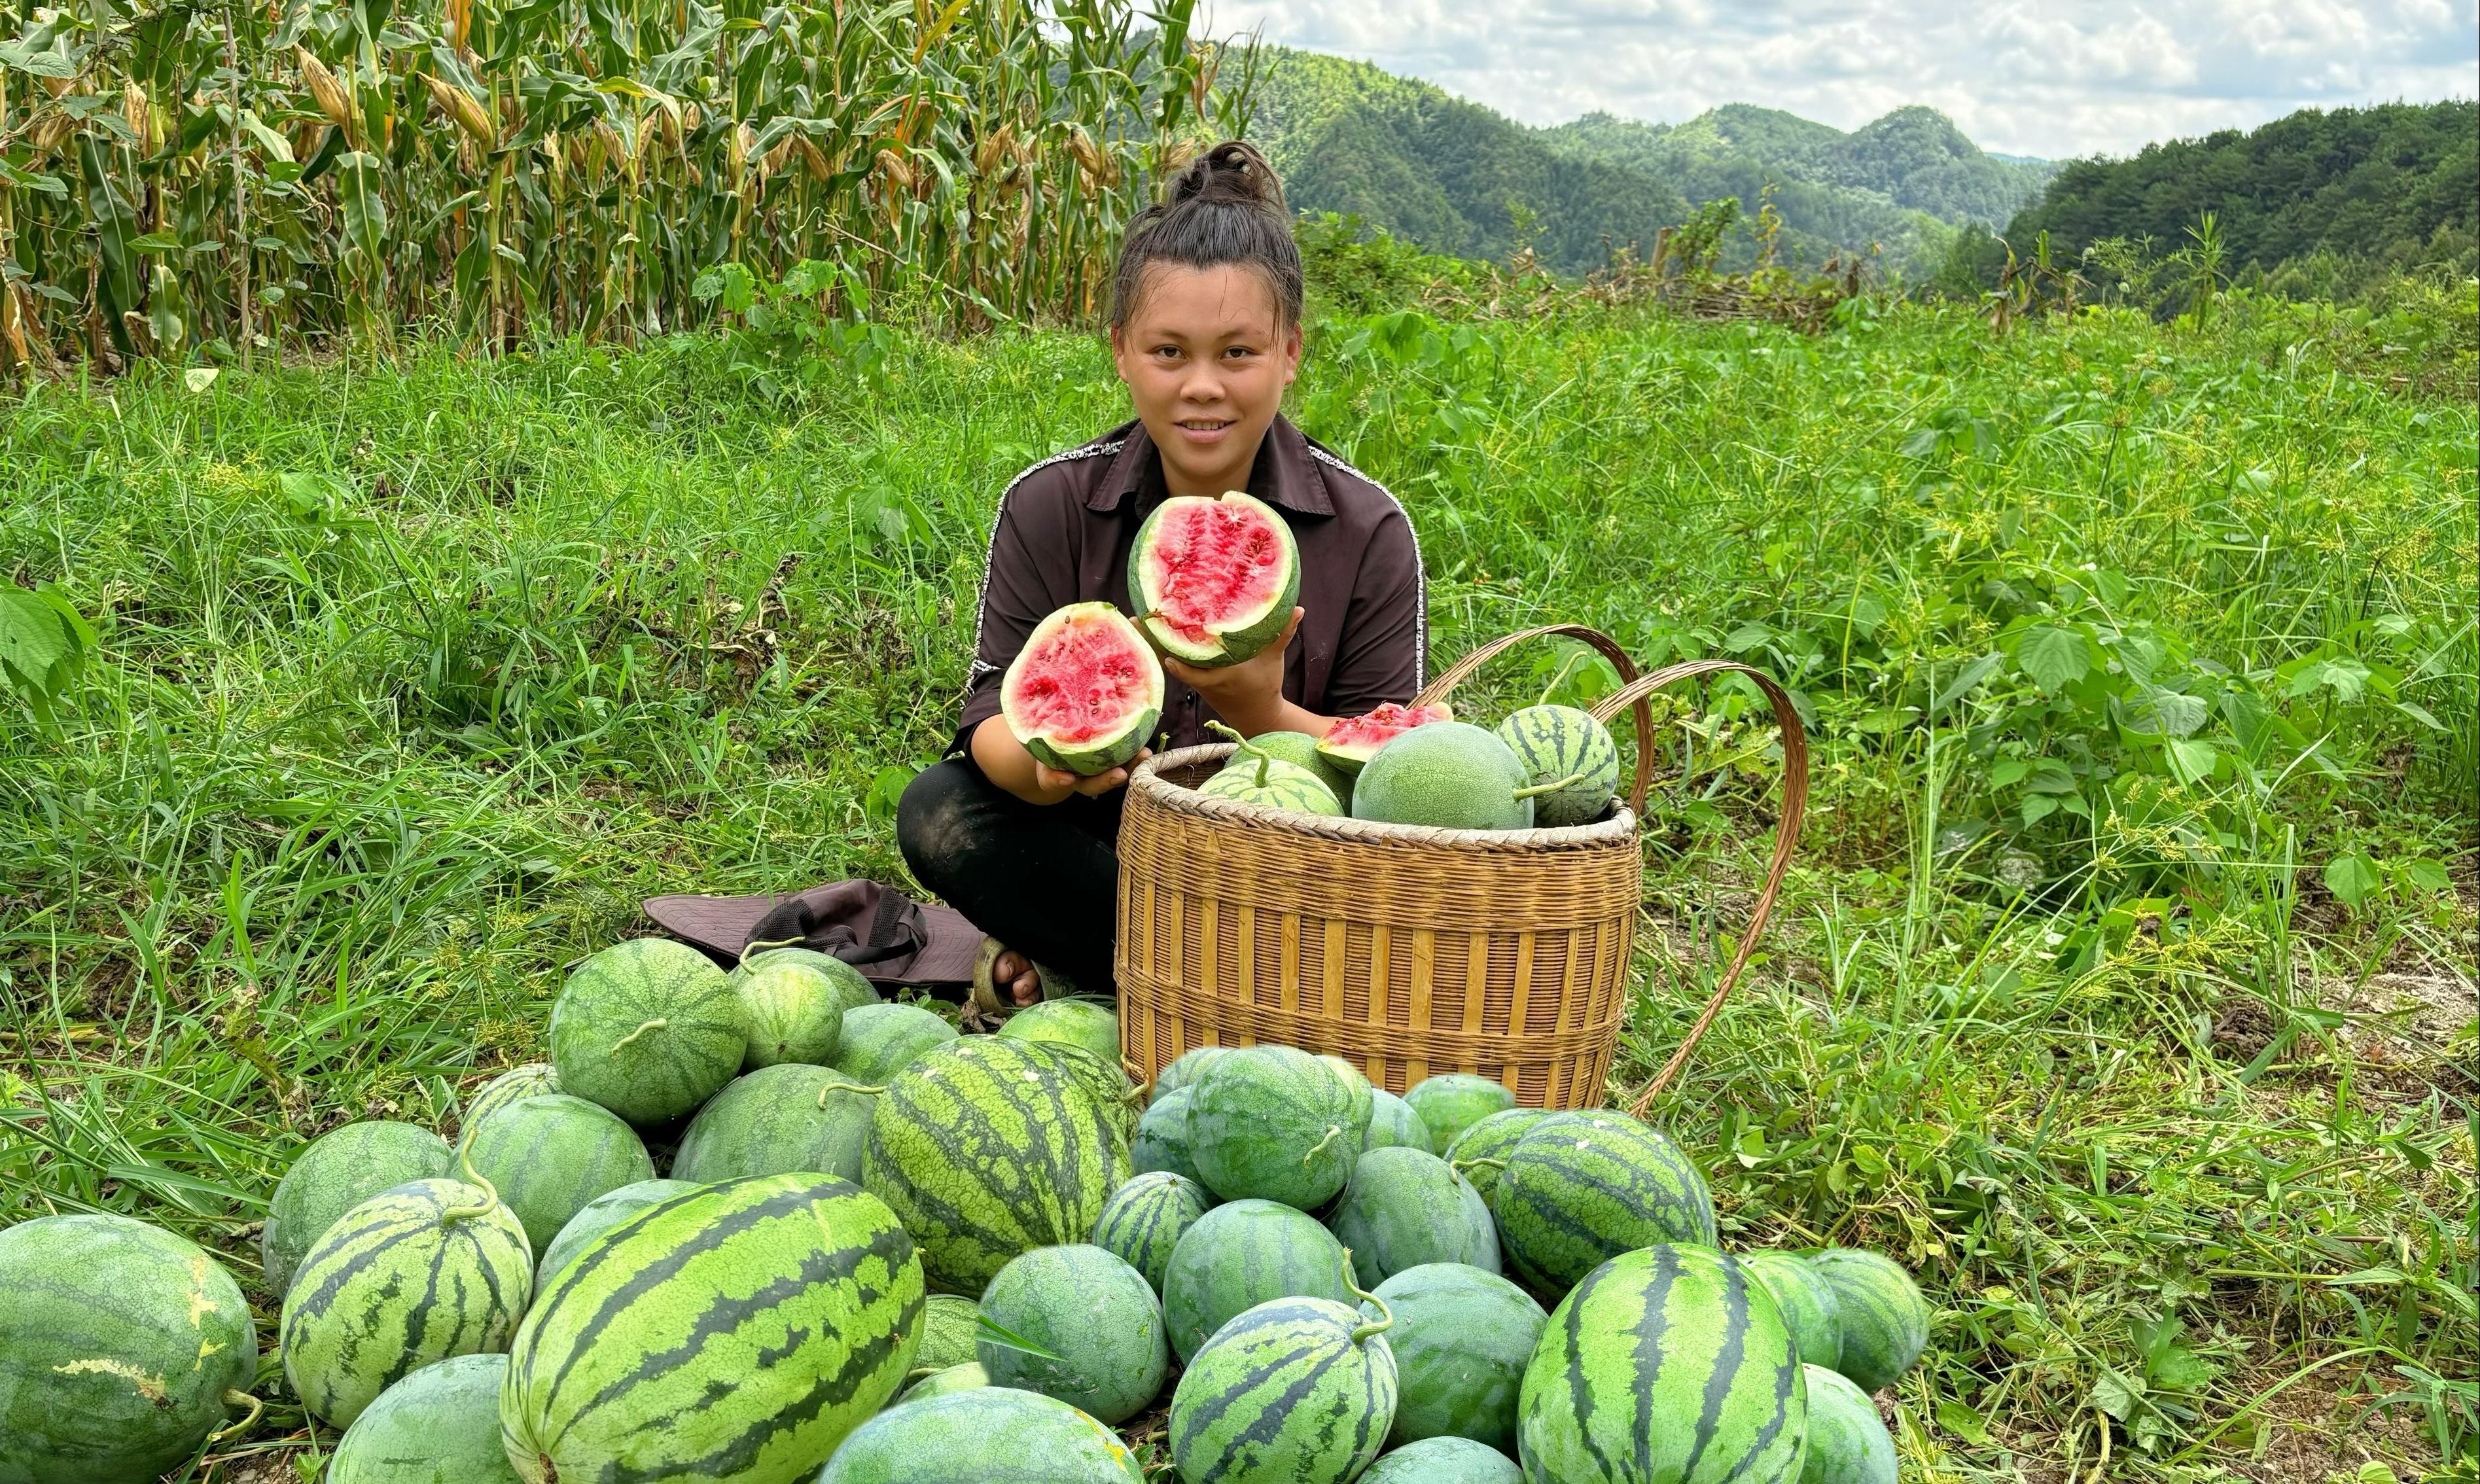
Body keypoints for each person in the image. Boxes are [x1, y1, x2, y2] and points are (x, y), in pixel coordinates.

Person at [897, 140, 1427, 1008]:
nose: (1203, 389)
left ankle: (1098, 972)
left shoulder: (1369, 530)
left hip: (1290, 858)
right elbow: (992, 716)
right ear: (1120, 351)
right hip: (1100, 845)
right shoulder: (1051, 503)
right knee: (941, 812)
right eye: (1169, 352)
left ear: (1290, 352)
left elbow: (1392, 791)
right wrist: (1051, 770)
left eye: (1238, 354)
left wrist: (1258, 707)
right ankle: (1232, 993)